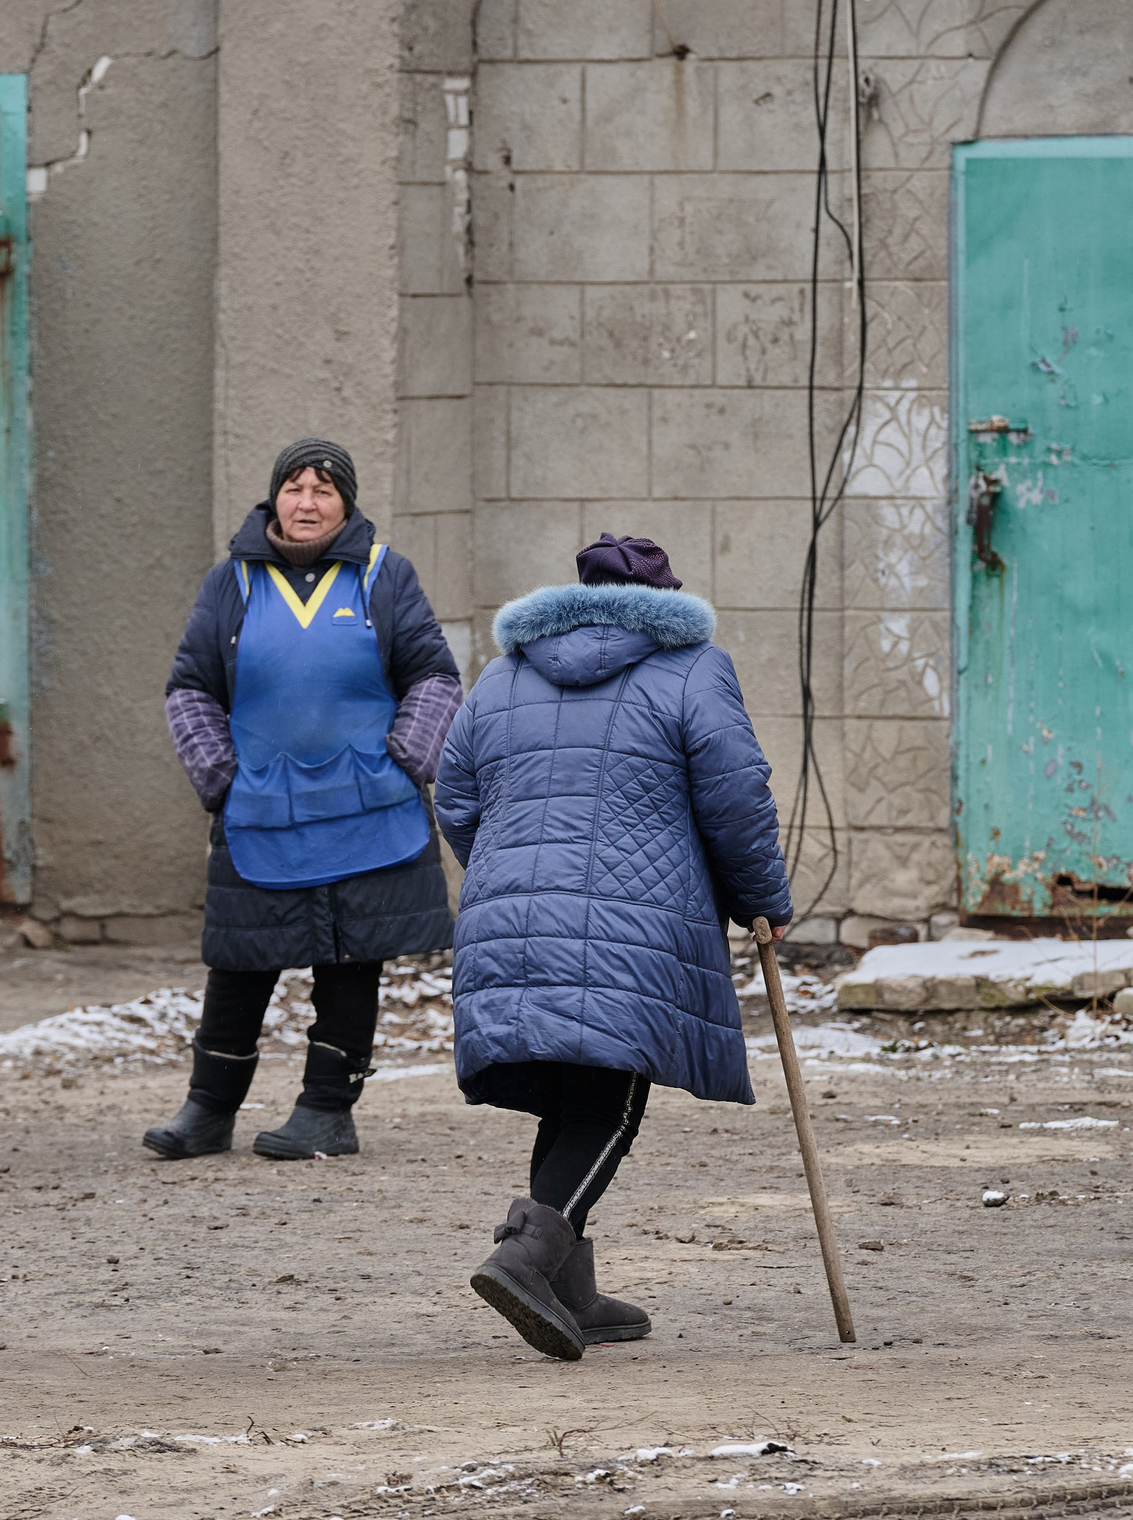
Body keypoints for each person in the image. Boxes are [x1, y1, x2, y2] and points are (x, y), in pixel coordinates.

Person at [435, 533, 792, 1359]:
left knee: (569, 1092)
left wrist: (510, 873)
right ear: (670, 600)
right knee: (612, 1098)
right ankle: (526, 1254)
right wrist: (761, 901)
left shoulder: (505, 672)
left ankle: (569, 1287)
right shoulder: (694, 665)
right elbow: (736, 794)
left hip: (508, 911)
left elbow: (454, 792)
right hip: (637, 919)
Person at [145, 438, 460, 1161]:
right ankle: (208, 1109)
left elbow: (435, 678)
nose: (307, 501)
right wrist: (218, 777)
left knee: (351, 962)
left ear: (346, 502)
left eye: (323, 489)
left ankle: (327, 1109)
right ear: (274, 498)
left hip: (367, 812)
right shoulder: (233, 583)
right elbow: (190, 687)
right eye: (294, 487)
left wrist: (407, 758)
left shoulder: (387, 576)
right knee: (240, 959)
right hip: (259, 809)